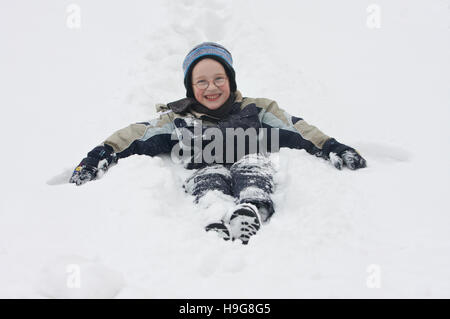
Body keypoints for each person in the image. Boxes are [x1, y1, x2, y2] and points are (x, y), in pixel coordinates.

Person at [69, 42, 367, 245]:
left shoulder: (256, 109)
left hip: (249, 159)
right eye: (201, 82)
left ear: (231, 80)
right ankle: (214, 217)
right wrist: (100, 154)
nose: (211, 87)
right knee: (207, 178)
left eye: (219, 78)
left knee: (253, 167)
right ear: (190, 87)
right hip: (204, 166)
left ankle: (251, 208)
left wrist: (331, 146)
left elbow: (296, 128)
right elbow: (136, 134)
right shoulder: (177, 119)